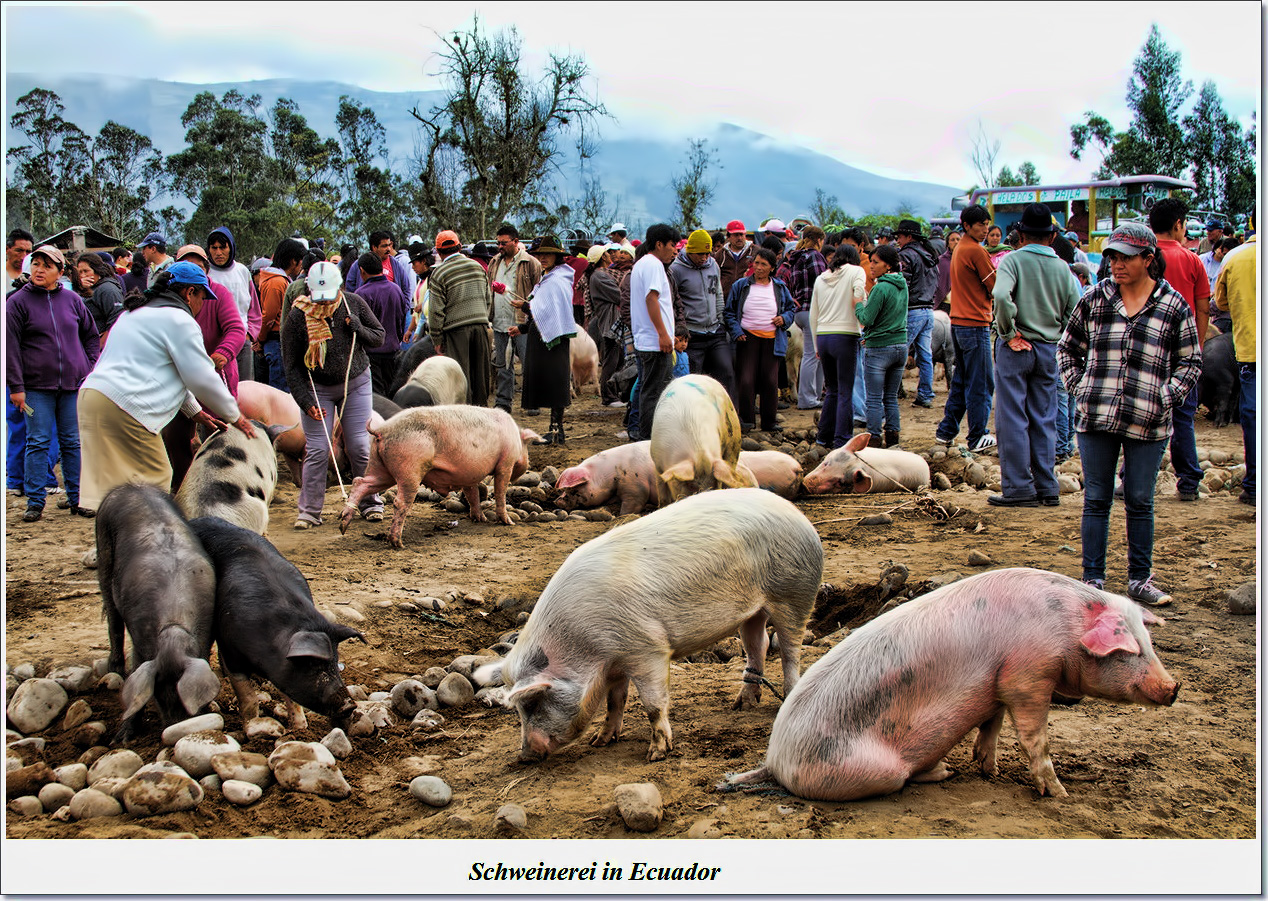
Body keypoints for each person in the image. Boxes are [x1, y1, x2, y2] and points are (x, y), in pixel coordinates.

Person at [1057, 222, 1201, 608]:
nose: (1117, 265)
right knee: (1097, 498)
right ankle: (1093, 581)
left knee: (1140, 498)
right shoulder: (1094, 299)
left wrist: (1166, 396)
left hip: (1148, 420)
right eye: (1112, 257)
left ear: (1148, 260)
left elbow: (1191, 361)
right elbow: (1067, 349)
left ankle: (1140, 579)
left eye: (1126, 257)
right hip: (1097, 416)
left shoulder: (1172, 306)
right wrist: (1081, 388)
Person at [78, 263, 255, 519]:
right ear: (189, 293)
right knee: (156, 479)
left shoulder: (132, 314)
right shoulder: (179, 320)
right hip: (125, 408)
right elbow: (201, 376)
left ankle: (108, 550)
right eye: (202, 297)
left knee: (114, 489)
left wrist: (196, 412)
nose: (202, 305)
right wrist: (235, 416)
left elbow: (168, 372)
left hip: (93, 398)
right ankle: (154, 549)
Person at [281, 261, 385, 529]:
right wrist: (306, 402)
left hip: (356, 382)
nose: (325, 303)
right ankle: (309, 511)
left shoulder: (354, 304)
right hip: (318, 388)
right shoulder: (297, 317)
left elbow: (379, 337)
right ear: (309, 290)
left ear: (340, 287)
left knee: (360, 445)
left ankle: (370, 502)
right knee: (316, 450)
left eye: (330, 297)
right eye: (319, 297)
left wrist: (358, 329)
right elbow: (291, 366)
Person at [988, 203, 1080, 507]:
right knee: (1044, 417)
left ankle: (1018, 489)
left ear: (1021, 234)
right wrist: (1059, 337)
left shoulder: (1012, 261)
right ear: (1052, 236)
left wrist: (1008, 332)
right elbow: (1075, 311)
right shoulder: (1063, 268)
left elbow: (1001, 296)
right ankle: (1047, 487)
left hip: (1017, 347)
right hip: (1049, 349)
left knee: (1012, 417)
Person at [7, 245, 100, 522]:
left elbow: (91, 336)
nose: (39, 269)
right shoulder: (17, 303)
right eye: (35, 263)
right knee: (37, 441)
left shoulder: (72, 301)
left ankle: (77, 498)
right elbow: (10, 348)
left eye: (47, 265)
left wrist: (89, 368)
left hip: (72, 386)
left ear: (60, 272)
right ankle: (35, 501)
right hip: (35, 388)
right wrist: (16, 387)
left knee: (72, 442)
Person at [1149, 198, 1210, 502]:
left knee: (1144, 414)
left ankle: (1131, 478)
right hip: (1184, 351)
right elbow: (1202, 308)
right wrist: (1195, 346)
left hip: (1149, 350)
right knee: (1183, 417)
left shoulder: (1143, 259)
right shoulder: (1193, 260)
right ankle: (1188, 482)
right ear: (1178, 225)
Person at [935, 205, 998, 453]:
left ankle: (946, 431)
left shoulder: (961, 248)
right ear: (968, 226)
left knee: (961, 381)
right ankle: (978, 435)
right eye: (981, 225)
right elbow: (995, 287)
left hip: (959, 322)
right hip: (975, 324)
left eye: (987, 224)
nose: (985, 229)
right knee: (981, 382)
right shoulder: (976, 251)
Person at [724, 247, 797, 435]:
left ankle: (769, 422)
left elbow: (790, 309)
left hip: (772, 339)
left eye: (764, 264)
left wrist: (784, 319)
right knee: (746, 380)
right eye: (756, 263)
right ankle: (747, 420)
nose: (758, 267)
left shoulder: (779, 287)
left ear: (772, 268)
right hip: (747, 338)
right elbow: (729, 312)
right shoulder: (741, 285)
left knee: (770, 381)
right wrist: (736, 331)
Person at [512, 236, 575, 444]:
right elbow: (541, 312)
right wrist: (522, 327)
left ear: (557, 256)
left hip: (554, 339)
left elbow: (547, 309)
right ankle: (554, 429)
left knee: (556, 383)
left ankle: (558, 431)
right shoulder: (548, 278)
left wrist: (523, 306)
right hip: (540, 337)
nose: (543, 258)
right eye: (539, 254)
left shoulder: (557, 280)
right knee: (548, 382)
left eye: (547, 254)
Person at [1213, 216, 1256, 506]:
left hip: (1251, 350)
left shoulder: (1235, 257)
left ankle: (1253, 485)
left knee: (1252, 418)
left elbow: (1222, 303)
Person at [809, 244, 866, 448]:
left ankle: (823, 436)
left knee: (832, 389)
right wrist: (862, 308)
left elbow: (813, 313)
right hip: (845, 335)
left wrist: (816, 343)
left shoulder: (821, 278)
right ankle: (842, 439)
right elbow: (859, 292)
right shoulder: (856, 271)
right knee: (845, 391)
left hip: (823, 337)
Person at [627, 224, 681, 440]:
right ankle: (649, 439)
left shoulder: (643, 264)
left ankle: (648, 437)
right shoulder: (653, 265)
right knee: (655, 393)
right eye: (671, 245)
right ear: (659, 244)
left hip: (649, 339)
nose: (675, 250)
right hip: (654, 342)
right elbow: (652, 298)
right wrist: (662, 334)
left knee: (649, 390)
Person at [427, 229, 493, 405]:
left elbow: (435, 311)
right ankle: (482, 412)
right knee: (480, 376)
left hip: (456, 331)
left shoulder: (439, 273)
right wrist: (482, 318)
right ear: (460, 247)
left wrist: (437, 339)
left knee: (460, 376)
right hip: (480, 326)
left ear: (439, 252)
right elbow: (488, 298)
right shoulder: (478, 267)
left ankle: (465, 416)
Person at [669, 229, 734, 401]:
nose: (704, 257)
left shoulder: (713, 264)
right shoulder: (676, 270)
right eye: (700, 254)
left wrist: (721, 321)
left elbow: (718, 294)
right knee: (691, 380)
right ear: (690, 250)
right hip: (692, 334)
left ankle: (728, 417)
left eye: (707, 253)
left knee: (726, 372)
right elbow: (673, 302)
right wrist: (680, 329)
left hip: (714, 331)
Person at [855, 244, 909, 447]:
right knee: (891, 398)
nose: (871, 267)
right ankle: (894, 440)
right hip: (900, 346)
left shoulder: (880, 288)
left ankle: (875, 440)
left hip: (879, 349)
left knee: (874, 399)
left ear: (887, 265)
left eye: (875, 263)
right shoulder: (902, 284)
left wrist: (858, 304)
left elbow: (867, 319)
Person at [488, 224, 542, 413]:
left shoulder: (531, 263)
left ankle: (532, 402)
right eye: (498, 243)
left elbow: (539, 292)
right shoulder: (494, 262)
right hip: (500, 321)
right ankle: (503, 402)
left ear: (516, 242)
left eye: (504, 243)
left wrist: (530, 311)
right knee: (503, 365)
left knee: (529, 363)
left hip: (522, 322)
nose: (500, 246)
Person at [893, 219, 940, 408]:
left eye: (900, 236)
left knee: (899, 352)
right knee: (925, 354)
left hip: (912, 310)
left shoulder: (906, 256)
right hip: (929, 310)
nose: (897, 240)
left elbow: (903, 285)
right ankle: (925, 394)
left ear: (908, 236)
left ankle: (892, 391)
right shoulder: (930, 255)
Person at [207, 226, 261, 382]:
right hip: (215, 343)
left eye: (223, 247)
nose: (218, 253)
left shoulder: (242, 271)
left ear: (231, 248)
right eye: (214, 248)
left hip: (242, 342)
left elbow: (254, 308)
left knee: (245, 388)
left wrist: (249, 335)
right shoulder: (206, 273)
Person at [352, 251, 410, 395]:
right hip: (393, 351)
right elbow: (401, 319)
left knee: (377, 396)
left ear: (362, 271)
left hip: (372, 353)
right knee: (392, 392)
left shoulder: (361, 294)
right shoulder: (396, 289)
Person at [785, 225, 828, 410]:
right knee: (812, 355)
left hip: (800, 312)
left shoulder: (795, 257)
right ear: (818, 240)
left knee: (816, 355)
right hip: (812, 310)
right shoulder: (815, 256)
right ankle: (807, 398)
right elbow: (822, 283)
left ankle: (814, 395)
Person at [256, 238, 307, 393]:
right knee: (280, 389)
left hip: (277, 340)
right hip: (275, 340)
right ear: (293, 261)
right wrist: (261, 339)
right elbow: (269, 316)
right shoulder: (276, 283)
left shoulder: (280, 280)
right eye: (300, 262)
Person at [74, 252, 125, 341]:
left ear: (97, 270)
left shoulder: (108, 289)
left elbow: (117, 318)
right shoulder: (84, 288)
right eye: (80, 272)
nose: (83, 276)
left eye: (86, 271)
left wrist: (100, 344)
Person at [344, 231, 410, 299]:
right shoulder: (359, 264)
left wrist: (403, 308)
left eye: (389, 245)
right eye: (384, 246)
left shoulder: (396, 265)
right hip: (366, 307)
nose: (388, 249)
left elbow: (406, 289)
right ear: (374, 247)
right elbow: (350, 289)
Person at [714, 220, 758, 301]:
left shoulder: (755, 251)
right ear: (728, 237)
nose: (739, 238)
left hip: (749, 298)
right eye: (736, 235)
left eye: (741, 234)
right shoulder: (720, 255)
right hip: (726, 299)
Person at [934, 229, 961, 313]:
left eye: (958, 239)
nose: (956, 242)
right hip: (945, 304)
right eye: (952, 240)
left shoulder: (966, 260)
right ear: (948, 243)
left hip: (962, 303)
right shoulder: (942, 261)